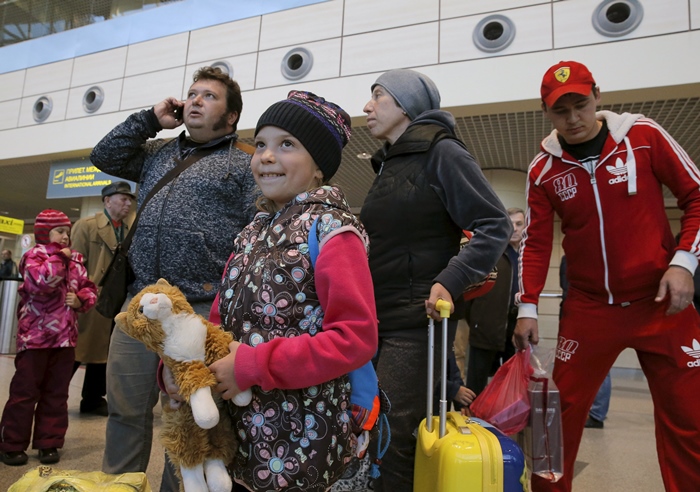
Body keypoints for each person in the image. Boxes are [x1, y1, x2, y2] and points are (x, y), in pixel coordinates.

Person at [174, 90, 378, 491]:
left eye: (287, 145)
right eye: (261, 144)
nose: (267, 156)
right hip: (242, 435)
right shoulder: (252, 233)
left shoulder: (333, 232)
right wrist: (187, 364)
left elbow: (355, 338)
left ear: (319, 167)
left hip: (303, 439)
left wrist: (252, 366)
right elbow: (219, 321)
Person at [514, 60, 700, 492]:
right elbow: (536, 243)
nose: (573, 118)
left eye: (580, 104)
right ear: (547, 112)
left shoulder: (644, 137)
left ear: (597, 95)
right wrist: (527, 306)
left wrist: (683, 262)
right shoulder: (543, 169)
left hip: (662, 303)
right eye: (561, 111)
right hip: (590, 309)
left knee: (689, 417)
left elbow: (695, 195)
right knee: (553, 423)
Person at [89, 66, 258, 489]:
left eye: (209, 96)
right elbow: (104, 156)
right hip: (140, 304)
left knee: (185, 416)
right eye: (192, 93)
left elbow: (256, 233)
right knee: (125, 411)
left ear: (231, 114)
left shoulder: (245, 163)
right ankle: (119, 485)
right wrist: (149, 119)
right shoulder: (157, 153)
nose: (196, 100)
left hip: (198, 307)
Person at [359, 69, 512, 491]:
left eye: (377, 97)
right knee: (375, 430)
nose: (367, 107)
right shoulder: (391, 165)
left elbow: (493, 224)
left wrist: (451, 279)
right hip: (379, 319)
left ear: (406, 105)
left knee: (390, 434)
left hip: (414, 322)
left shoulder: (442, 152)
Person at [0, 210, 97, 466]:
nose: (65, 237)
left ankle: (49, 442)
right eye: (60, 232)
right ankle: (11, 444)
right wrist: (58, 256)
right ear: (44, 233)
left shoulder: (75, 260)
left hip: (65, 340)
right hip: (35, 339)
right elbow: (42, 283)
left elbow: (88, 287)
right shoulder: (34, 256)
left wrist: (82, 300)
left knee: (57, 393)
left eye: (67, 231)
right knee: (24, 393)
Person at [70, 181, 135, 416]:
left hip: (115, 298)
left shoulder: (127, 230)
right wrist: (78, 295)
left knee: (104, 350)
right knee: (80, 348)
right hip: (90, 297)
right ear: (107, 201)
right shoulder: (86, 226)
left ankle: (93, 398)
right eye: (123, 199)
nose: (128, 203)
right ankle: (54, 393)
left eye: (130, 200)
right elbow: (75, 264)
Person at [560, 254, 611, 429]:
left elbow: (569, 288)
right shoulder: (574, 257)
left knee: (596, 366)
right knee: (587, 367)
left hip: (587, 317)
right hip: (592, 317)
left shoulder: (576, 258)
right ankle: (590, 412)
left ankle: (595, 413)